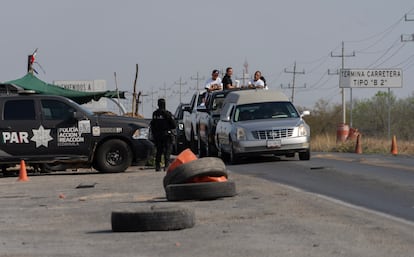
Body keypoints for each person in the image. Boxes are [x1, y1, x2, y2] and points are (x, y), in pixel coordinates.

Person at [150, 98, 176, 171]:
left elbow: (152, 124)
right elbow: (173, 125)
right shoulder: (167, 114)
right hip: (166, 135)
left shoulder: (155, 114)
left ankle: (157, 166)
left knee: (159, 151)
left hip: (157, 135)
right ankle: (166, 165)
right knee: (167, 150)